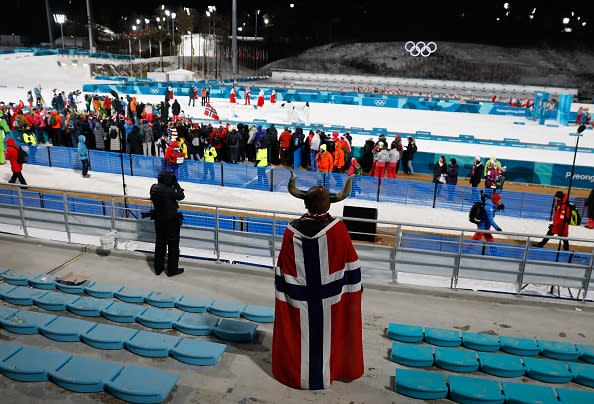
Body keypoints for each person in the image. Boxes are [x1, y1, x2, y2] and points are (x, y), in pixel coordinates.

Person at [273, 172, 363, 390]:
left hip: (299, 299)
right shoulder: (338, 230)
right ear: (329, 206)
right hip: (331, 299)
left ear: (305, 204)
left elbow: (282, 269)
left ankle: (300, 372)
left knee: (301, 333)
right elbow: (351, 266)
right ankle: (328, 370)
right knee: (331, 333)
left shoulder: (290, 231)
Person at [149, 170, 185, 277]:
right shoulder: (169, 191)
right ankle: (172, 270)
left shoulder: (154, 188)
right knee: (173, 246)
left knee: (160, 244)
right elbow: (181, 196)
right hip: (171, 222)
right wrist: (176, 184)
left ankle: (158, 269)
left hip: (159, 221)